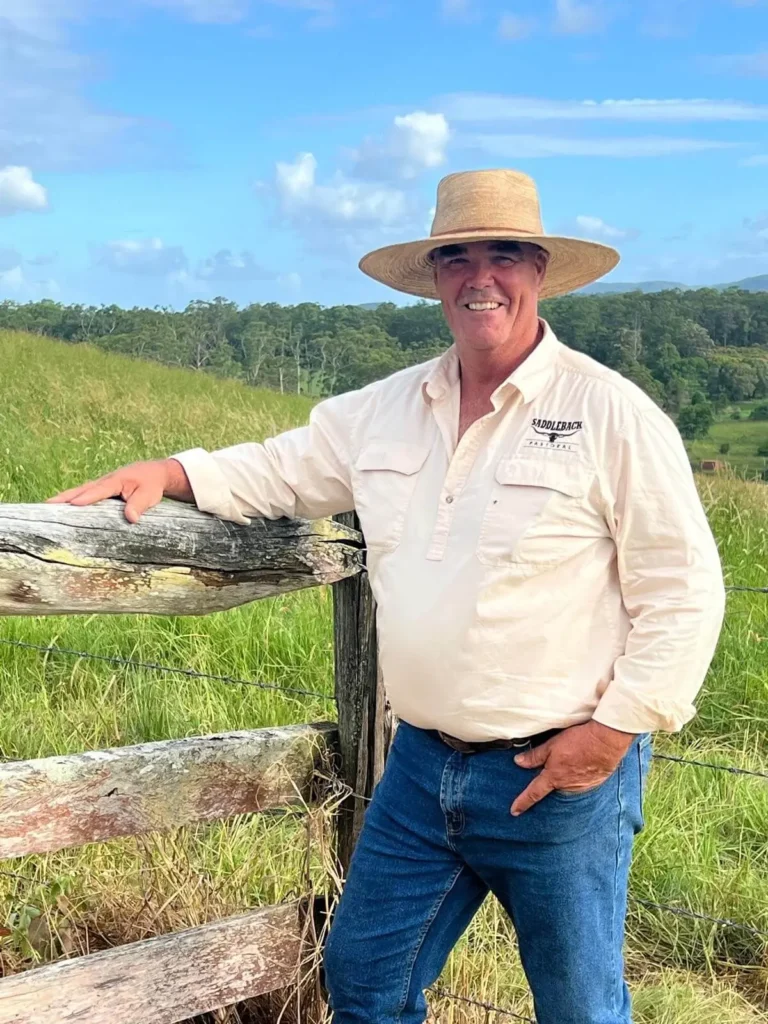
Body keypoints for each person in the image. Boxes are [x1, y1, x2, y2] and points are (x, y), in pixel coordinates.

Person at [48, 169, 726, 1024]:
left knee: (580, 1009)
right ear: (435, 277)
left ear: (540, 270)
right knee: (366, 983)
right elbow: (279, 468)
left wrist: (614, 731)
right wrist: (172, 472)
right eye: (457, 257)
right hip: (421, 765)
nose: (481, 277)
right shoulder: (387, 409)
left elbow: (685, 588)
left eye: (504, 254)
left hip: (556, 776)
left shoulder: (611, 413)